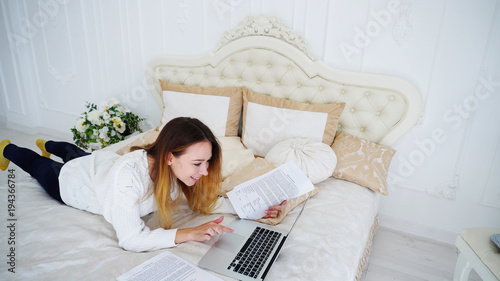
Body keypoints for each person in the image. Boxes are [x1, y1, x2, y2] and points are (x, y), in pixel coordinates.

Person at [0, 117, 285, 252]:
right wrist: (189, 233)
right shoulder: (129, 178)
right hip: (74, 183)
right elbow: (131, 239)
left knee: (75, 152)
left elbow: (209, 202)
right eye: (198, 163)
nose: (205, 171)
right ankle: (8, 149)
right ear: (170, 157)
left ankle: (48, 143)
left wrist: (255, 207)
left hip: (100, 163)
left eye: (207, 163)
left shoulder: (175, 171)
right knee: (39, 165)